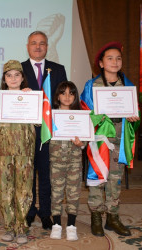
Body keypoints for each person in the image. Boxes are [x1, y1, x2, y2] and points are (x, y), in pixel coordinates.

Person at [80, 42, 140, 237]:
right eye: (110, 58)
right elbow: (84, 111)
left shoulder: (128, 85)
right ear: (101, 63)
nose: (115, 62)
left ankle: (113, 217)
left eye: (118, 58)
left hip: (121, 136)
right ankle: (96, 215)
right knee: (98, 175)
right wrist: (99, 116)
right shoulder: (92, 85)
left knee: (115, 177)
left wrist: (133, 117)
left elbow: (135, 113)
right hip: (100, 137)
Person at [21, 30, 68, 230]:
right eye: (34, 43)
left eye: (42, 43)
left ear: (47, 46)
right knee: (29, 174)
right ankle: (30, 211)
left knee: (47, 174)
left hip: (50, 131)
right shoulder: (18, 69)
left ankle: (46, 213)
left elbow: (65, 99)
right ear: (27, 46)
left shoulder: (58, 69)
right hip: (26, 132)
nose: (38, 47)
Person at [0, 60, 35, 244]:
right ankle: (9, 227)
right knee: (7, 190)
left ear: (22, 78)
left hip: (25, 151)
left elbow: (39, 123)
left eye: (17, 75)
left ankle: (21, 228)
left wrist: (33, 100)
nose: (13, 78)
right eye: (9, 75)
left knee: (24, 191)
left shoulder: (31, 96)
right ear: (4, 79)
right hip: (5, 152)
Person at [49, 81, 85, 241]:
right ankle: (56, 224)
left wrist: (81, 144)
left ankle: (71, 225)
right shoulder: (50, 115)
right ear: (57, 96)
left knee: (73, 192)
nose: (67, 97)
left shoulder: (81, 115)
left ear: (75, 96)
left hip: (74, 161)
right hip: (56, 162)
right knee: (56, 193)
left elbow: (85, 140)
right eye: (63, 93)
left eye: (71, 93)